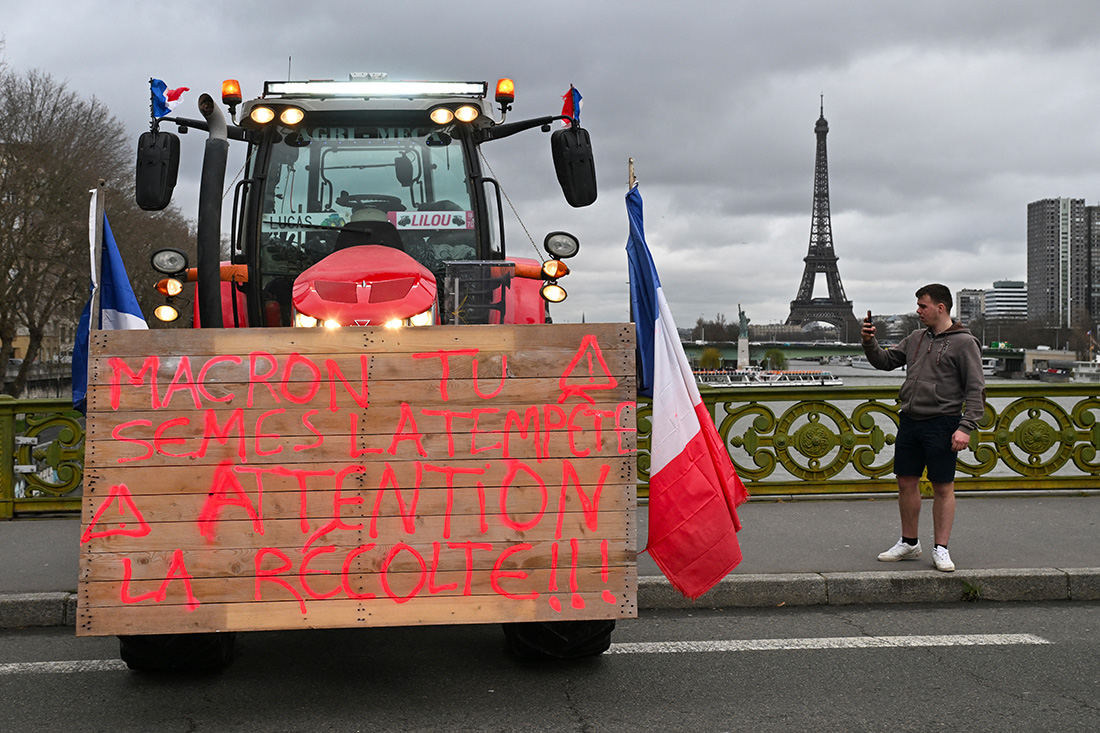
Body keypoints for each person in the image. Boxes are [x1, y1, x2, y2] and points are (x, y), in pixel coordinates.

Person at [860, 284, 985, 572]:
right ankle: (909, 542)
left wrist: (966, 426)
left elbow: (976, 389)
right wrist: (869, 342)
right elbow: (886, 362)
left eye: (923, 306)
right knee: (906, 482)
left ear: (941, 308)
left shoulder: (965, 343)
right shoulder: (915, 337)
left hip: (943, 422)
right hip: (910, 420)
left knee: (942, 487)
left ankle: (941, 548)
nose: (918, 311)